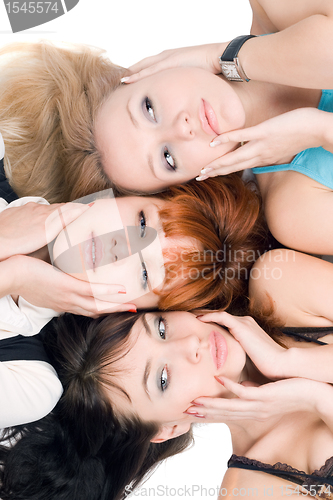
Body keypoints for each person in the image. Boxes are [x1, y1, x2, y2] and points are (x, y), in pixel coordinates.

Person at [1, 310, 332, 499]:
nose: (190, 343)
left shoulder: (280, 289)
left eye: (160, 328)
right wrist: (312, 397)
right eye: (162, 380)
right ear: (168, 428)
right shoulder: (251, 490)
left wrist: (291, 363)